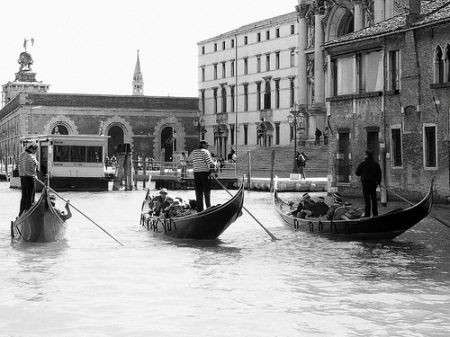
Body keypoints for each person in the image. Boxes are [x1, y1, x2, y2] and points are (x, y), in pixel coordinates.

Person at [188, 140, 215, 212]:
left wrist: (196, 164)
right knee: (206, 191)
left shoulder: (193, 152)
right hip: (205, 173)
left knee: (198, 192)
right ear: (203, 145)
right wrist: (212, 172)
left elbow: (188, 161)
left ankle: (200, 210)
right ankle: (208, 208)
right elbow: (211, 163)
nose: (207, 147)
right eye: (207, 145)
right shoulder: (205, 151)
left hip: (196, 174)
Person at [355, 150, 382, 217]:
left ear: (366, 156)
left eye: (365, 155)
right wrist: (378, 182)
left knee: (367, 201)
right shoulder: (376, 164)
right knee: (374, 199)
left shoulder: (362, 164)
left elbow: (357, 173)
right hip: (373, 184)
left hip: (365, 184)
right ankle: (375, 214)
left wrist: (363, 173)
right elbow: (379, 175)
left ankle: (367, 215)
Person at [18, 143, 39, 216]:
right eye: (35, 150)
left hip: (22, 178)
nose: (36, 152)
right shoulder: (31, 156)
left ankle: (21, 212)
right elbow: (35, 165)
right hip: (30, 178)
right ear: (32, 149)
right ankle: (29, 212)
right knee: (30, 196)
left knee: (24, 196)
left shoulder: (21, 155)